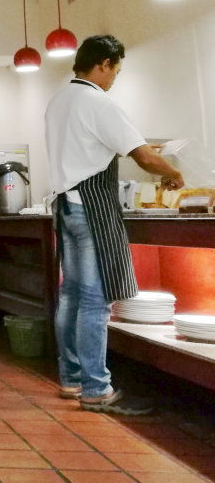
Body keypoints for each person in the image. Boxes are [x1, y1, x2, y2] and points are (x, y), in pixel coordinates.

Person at [44, 34, 184, 415]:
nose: (114, 79)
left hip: (65, 207)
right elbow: (144, 157)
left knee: (71, 296)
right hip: (92, 208)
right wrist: (174, 174)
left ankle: (72, 378)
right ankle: (96, 387)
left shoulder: (58, 102)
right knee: (95, 299)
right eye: (115, 71)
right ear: (103, 64)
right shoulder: (98, 102)